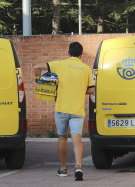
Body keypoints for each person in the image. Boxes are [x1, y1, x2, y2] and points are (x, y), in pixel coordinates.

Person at [34, 42, 95, 181]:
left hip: (61, 109)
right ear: (81, 55)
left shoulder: (60, 64)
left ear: (68, 53)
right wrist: (79, 90)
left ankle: (63, 169)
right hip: (77, 110)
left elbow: (37, 66)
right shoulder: (85, 68)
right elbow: (92, 89)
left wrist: (39, 80)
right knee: (76, 138)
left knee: (62, 137)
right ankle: (78, 166)